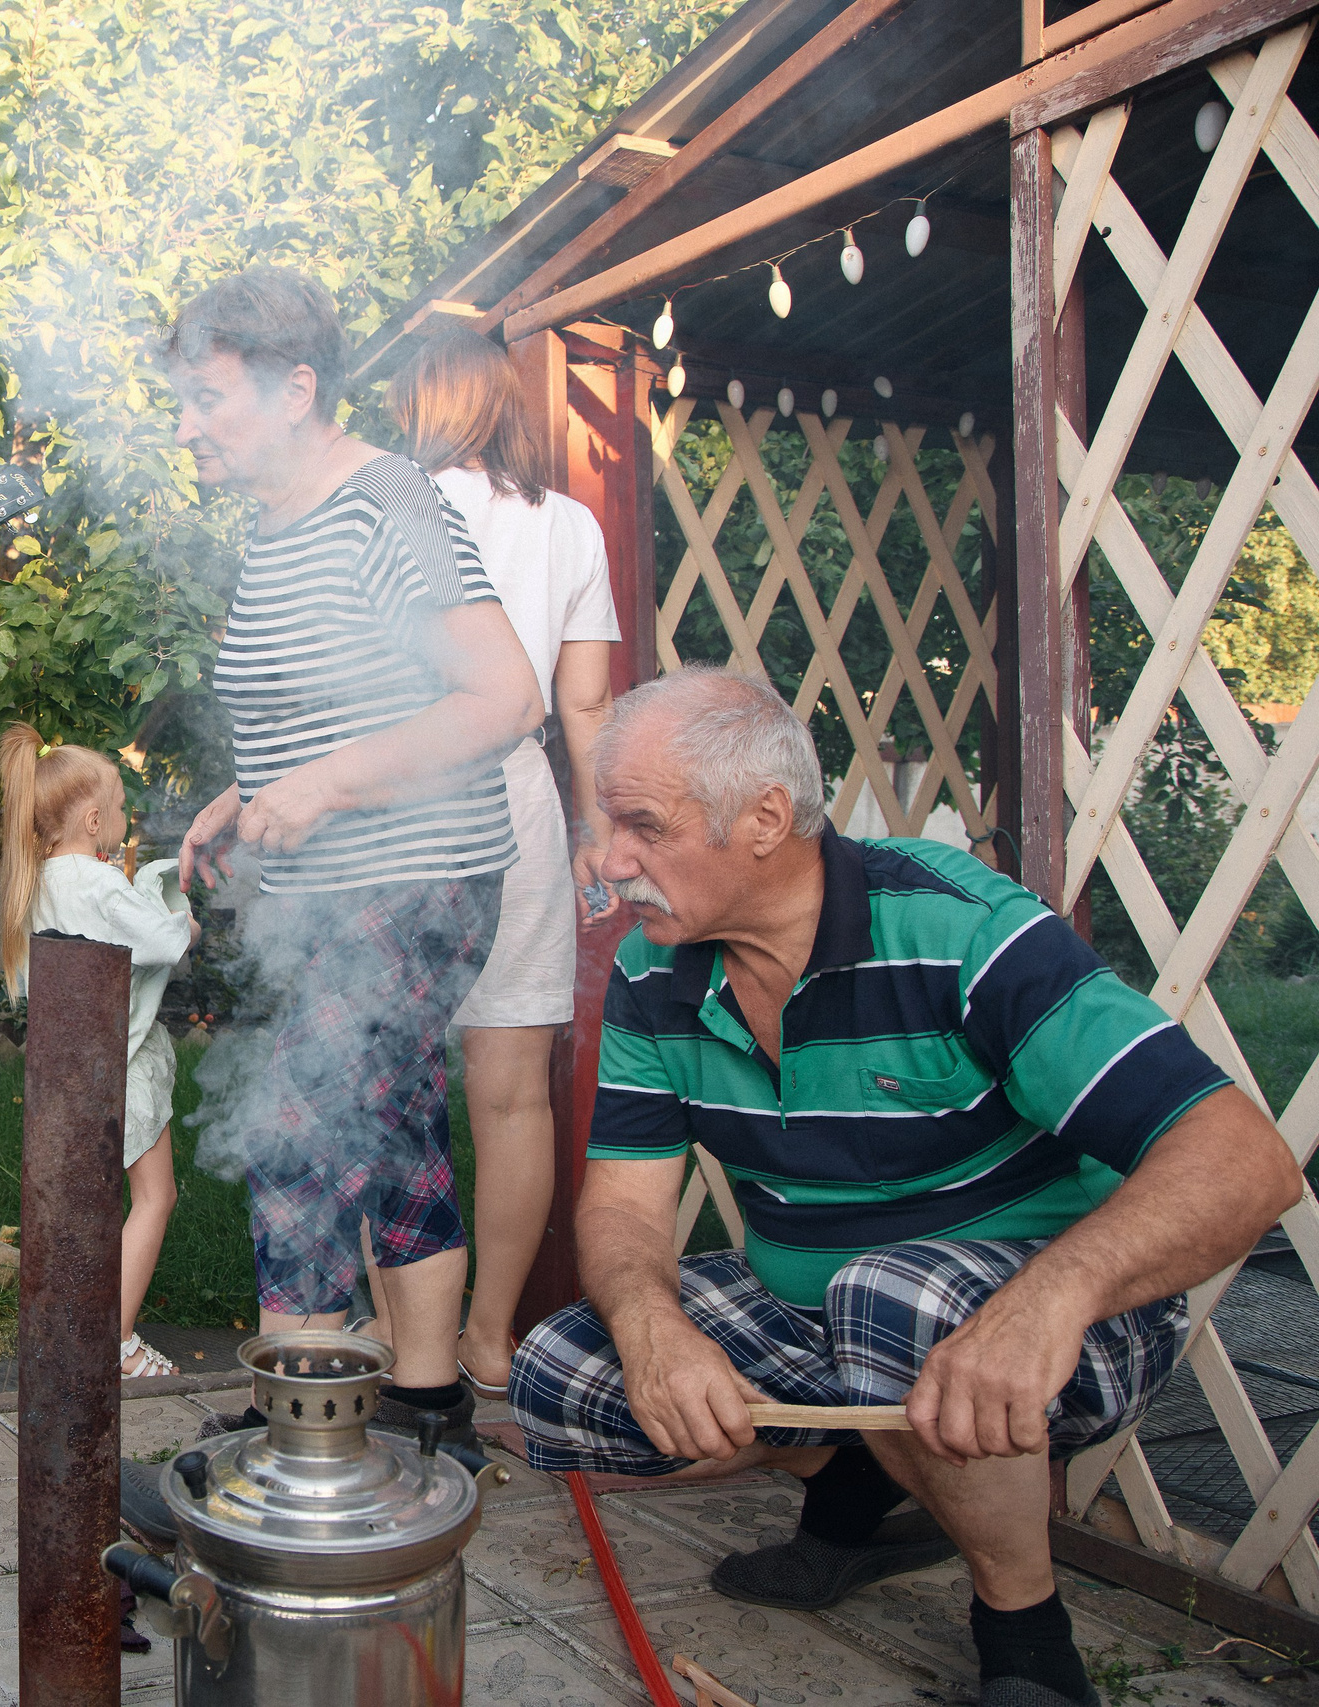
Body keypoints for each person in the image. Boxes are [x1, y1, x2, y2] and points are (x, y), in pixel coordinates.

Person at [509, 666, 1302, 1707]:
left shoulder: (957, 929)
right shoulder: (654, 972)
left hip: (1062, 1317)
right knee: (562, 1372)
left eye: (642, 826)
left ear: (765, 820)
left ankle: (1025, 1632)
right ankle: (860, 1476)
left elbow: (1245, 1161)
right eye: (608, 825)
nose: (611, 861)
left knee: (890, 1301)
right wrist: (656, 1331)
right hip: (830, 1311)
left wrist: (1047, 1303)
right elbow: (622, 1203)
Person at [169, 266, 543, 1422]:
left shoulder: (384, 501)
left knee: (299, 1124)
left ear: (295, 389)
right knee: (394, 1127)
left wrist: (324, 787)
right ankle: (428, 1406)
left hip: (418, 876)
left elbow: (505, 696)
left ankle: (295, 1426)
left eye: (206, 399)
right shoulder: (279, 520)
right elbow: (342, 695)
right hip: (338, 887)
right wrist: (246, 790)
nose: (184, 428)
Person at [383, 327, 622, 1399]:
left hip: (395, 794)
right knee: (514, 1092)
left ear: (421, 403)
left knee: (384, 1081)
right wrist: (595, 827)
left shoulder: (383, 506)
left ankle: (400, 1333)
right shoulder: (568, 524)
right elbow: (586, 702)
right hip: (519, 800)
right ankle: (487, 1338)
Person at [0, 724, 199, 1379]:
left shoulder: (37, 883)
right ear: (92, 820)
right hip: (123, 1068)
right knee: (155, 1196)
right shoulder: (97, 882)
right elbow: (163, 944)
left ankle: (72, 1333)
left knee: (86, 1208)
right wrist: (186, 922)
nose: (125, 817)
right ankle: (116, 1341)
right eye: (119, 806)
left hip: (70, 1075)